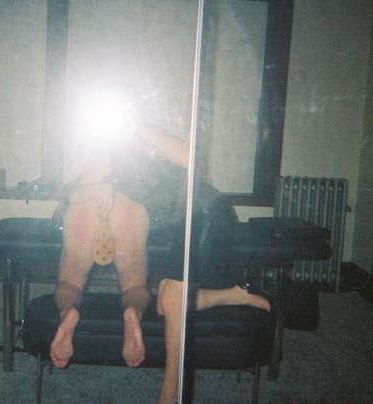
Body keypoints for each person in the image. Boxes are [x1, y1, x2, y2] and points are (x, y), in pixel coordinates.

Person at [49, 107, 271, 402]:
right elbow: (76, 193)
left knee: (172, 301)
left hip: (206, 217)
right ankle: (236, 295)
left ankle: (170, 391)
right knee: (165, 304)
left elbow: (192, 161)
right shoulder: (115, 148)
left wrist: (140, 130)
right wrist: (106, 187)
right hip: (191, 218)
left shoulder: (143, 139)